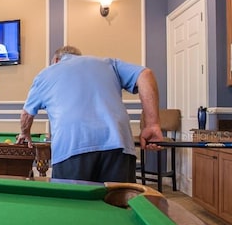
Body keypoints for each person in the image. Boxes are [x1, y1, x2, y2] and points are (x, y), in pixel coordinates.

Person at [16, 45, 164, 183]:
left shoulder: (46, 73)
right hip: (118, 145)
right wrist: (152, 124)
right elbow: (145, 74)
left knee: (72, 207)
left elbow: (26, 115)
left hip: (71, 148)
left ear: (56, 60)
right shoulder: (109, 63)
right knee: (118, 205)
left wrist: (25, 133)